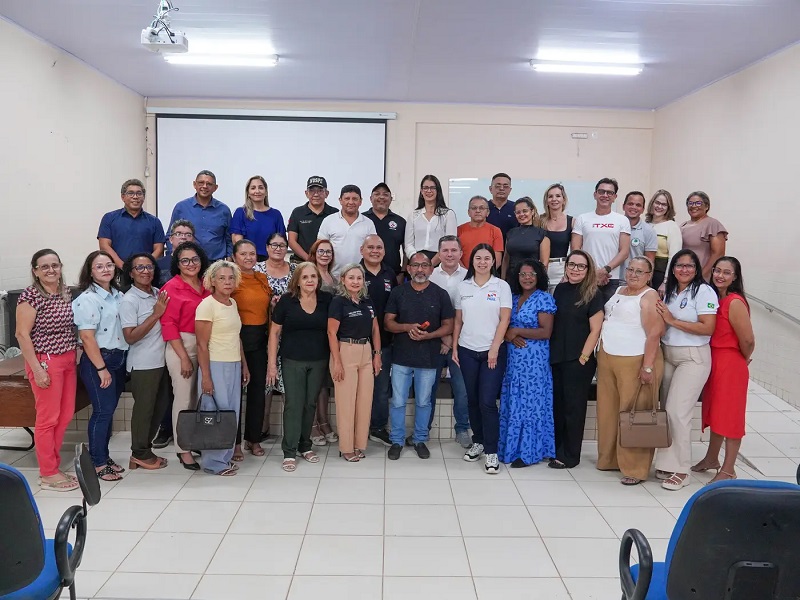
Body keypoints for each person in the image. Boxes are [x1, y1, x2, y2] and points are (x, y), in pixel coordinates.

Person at [596, 256, 664, 485]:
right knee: (609, 412)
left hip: (635, 360)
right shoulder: (620, 290)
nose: (633, 274)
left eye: (639, 271)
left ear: (648, 276)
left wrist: (647, 366)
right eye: (631, 270)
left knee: (635, 414)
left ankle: (635, 468)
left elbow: (655, 333)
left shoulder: (649, 295)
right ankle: (611, 459)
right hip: (608, 357)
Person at [15, 249, 79, 491]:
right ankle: (47, 472)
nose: (51, 270)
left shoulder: (65, 293)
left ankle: (54, 465)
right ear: (35, 271)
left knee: (64, 416)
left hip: (68, 360)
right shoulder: (30, 297)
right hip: (45, 361)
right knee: (47, 419)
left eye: (55, 265)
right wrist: (37, 370)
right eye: (44, 267)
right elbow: (21, 334)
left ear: (61, 267)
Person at [653, 250, 717, 490]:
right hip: (668, 354)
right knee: (666, 411)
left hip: (693, 357)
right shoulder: (670, 290)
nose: (684, 270)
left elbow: (707, 327)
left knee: (678, 412)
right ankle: (667, 463)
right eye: (679, 265)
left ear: (697, 268)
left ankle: (682, 470)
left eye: (690, 266)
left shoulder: (704, 291)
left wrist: (672, 321)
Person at [384, 252, 454, 459]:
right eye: (415, 265)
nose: (420, 269)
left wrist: (428, 336)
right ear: (408, 268)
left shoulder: (440, 294)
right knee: (397, 401)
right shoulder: (398, 292)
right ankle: (396, 440)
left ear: (431, 270)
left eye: (424, 265)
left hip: (429, 358)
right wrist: (406, 327)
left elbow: (448, 325)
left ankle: (420, 439)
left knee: (424, 402)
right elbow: (388, 322)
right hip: (400, 357)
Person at [693, 257, 755, 483]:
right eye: (717, 270)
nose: (719, 275)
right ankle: (711, 458)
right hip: (715, 360)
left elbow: (748, 340)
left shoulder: (734, 302)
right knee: (715, 412)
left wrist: (742, 359)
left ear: (735, 277)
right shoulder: (715, 298)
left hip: (731, 363)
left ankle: (729, 469)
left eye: (726, 272)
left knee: (730, 416)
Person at [453, 244, 512, 474]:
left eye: (487, 258)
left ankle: (491, 452)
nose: (483, 262)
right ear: (472, 261)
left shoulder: (501, 286)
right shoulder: (463, 287)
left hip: (492, 352)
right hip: (467, 350)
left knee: (487, 402)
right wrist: (456, 347)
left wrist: (495, 348)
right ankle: (477, 441)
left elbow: (504, 320)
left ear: (493, 262)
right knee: (473, 400)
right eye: (478, 258)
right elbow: (458, 320)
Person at [269, 263, 333, 472]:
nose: (310, 280)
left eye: (313, 276)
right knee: (294, 405)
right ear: (297, 280)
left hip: (319, 360)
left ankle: (305, 446)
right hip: (292, 360)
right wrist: (271, 364)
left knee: (310, 404)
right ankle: (289, 451)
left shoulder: (326, 300)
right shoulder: (287, 301)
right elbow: (274, 333)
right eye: (305, 277)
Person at [73, 251, 129, 481]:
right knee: (102, 412)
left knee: (109, 412)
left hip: (118, 359)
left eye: (109, 265)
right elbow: (87, 338)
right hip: (99, 361)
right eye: (99, 266)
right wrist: (101, 368)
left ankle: (103, 456)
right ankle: (97, 463)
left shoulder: (117, 295)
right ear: (90, 271)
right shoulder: (88, 299)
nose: (106, 269)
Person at [499, 259, 556, 468]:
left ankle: (529, 452)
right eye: (523, 274)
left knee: (531, 405)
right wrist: (510, 335)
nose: (527, 278)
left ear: (539, 276)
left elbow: (545, 332)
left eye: (531, 274)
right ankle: (512, 449)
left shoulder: (543, 299)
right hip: (514, 361)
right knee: (515, 403)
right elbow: (505, 327)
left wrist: (517, 331)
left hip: (535, 362)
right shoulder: (512, 298)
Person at [549, 250, 604, 469]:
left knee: (574, 408)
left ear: (589, 269)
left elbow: (596, 329)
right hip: (558, 357)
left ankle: (570, 456)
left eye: (581, 266)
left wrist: (583, 357)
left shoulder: (593, 293)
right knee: (559, 406)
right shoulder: (560, 289)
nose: (575, 269)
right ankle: (557, 449)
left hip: (579, 359)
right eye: (572, 264)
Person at [195, 261, 249, 476]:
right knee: (214, 413)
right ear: (212, 281)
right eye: (222, 278)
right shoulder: (206, 305)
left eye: (230, 278)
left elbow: (236, 337)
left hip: (233, 364)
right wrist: (206, 377)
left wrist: (244, 364)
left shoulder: (232, 304)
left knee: (230, 413)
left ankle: (224, 458)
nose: (227, 282)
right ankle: (213, 463)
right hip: (215, 366)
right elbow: (201, 344)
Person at [160, 241, 210, 471]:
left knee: (200, 397)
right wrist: (183, 357)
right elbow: (168, 324)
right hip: (182, 345)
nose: (191, 264)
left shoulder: (206, 285)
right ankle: (183, 449)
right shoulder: (171, 287)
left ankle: (195, 440)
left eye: (195, 259)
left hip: (205, 345)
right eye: (185, 260)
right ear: (177, 264)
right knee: (184, 399)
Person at [119, 253, 170, 471]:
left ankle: (145, 450)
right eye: (139, 268)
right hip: (144, 364)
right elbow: (130, 336)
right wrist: (155, 315)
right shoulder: (129, 300)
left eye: (149, 267)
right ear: (130, 273)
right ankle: (138, 452)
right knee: (144, 410)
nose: (146, 271)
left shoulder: (157, 293)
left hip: (162, 361)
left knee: (158, 408)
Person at [328, 264, 382, 462]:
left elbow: (375, 329)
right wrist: (337, 362)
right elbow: (331, 332)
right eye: (351, 278)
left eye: (359, 278)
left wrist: (377, 354)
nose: (355, 281)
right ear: (343, 279)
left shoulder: (367, 302)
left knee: (364, 402)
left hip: (366, 352)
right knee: (346, 403)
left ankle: (360, 444)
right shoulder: (338, 302)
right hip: (346, 350)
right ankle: (346, 447)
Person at [427, 235, 471, 448]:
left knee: (462, 389)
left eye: (454, 250)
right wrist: (443, 336)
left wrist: (452, 339)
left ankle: (462, 428)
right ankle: (422, 429)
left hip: (461, 343)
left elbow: (468, 314)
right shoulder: (430, 275)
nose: (450, 254)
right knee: (428, 388)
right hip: (434, 341)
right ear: (439, 253)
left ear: (461, 253)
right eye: (445, 250)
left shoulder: (470, 277)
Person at [231, 239, 272, 458]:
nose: (248, 258)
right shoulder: (230, 279)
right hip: (236, 337)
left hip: (260, 338)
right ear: (234, 257)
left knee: (258, 391)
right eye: (243, 254)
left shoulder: (261, 278)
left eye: (252, 253)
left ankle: (253, 439)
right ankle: (234, 443)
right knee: (235, 393)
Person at [255, 232, 297, 440]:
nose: (278, 249)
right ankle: (261, 428)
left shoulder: (295, 270)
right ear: (267, 247)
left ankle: (292, 430)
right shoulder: (257, 270)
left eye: (282, 245)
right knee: (266, 381)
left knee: (289, 381)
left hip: (291, 334)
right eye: (274, 245)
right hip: (263, 331)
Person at [359, 235, 399, 447]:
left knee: (382, 388)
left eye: (379, 247)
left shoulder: (389, 273)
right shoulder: (354, 273)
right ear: (361, 250)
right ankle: (357, 428)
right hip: (356, 342)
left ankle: (377, 427)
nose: (375, 251)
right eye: (370, 247)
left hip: (384, 342)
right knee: (358, 388)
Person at [572, 178, 632, 304]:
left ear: (615, 197)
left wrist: (605, 271)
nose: (605, 195)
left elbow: (624, 252)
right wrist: (592, 273)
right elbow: (576, 250)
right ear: (595, 194)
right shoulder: (582, 218)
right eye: (601, 192)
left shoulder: (622, 220)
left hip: (611, 278)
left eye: (609, 193)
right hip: (586, 277)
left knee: (608, 318)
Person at [307, 239, 338, 446]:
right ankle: (312, 425)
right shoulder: (309, 273)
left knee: (325, 382)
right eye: (321, 251)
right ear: (314, 253)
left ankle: (324, 421)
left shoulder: (334, 278)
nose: (325, 254)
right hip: (312, 332)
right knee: (313, 382)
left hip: (330, 334)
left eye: (328, 251)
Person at [98, 179, 165, 268]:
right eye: (130, 193)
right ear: (123, 197)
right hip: (117, 272)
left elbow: (159, 249)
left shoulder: (154, 222)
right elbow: (104, 246)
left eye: (139, 193)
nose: (135, 197)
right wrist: (123, 267)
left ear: (144, 197)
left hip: (145, 273)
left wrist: (143, 267)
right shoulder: (109, 218)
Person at [169, 170, 232, 261]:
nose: (204, 186)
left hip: (216, 263)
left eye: (209, 184)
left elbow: (229, 239)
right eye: (201, 183)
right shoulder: (181, 207)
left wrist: (229, 260)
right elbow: (170, 235)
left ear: (215, 187)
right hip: (188, 263)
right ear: (194, 184)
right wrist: (174, 257)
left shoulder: (224, 210)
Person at [317, 184, 377, 277]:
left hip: (360, 278)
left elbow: (373, 249)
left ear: (360, 201)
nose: (351, 202)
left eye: (355, 199)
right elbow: (319, 249)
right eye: (347, 198)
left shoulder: (368, 223)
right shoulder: (329, 221)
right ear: (340, 200)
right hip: (333, 276)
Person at [404, 175, 457, 267]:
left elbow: (450, 244)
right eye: (425, 188)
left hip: (439, 261)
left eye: (432, 188)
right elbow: (408, 244)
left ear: (438, 190)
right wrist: (417, 260)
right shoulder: (413, 215)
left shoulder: (447, 214)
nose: (429, 191)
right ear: (421, 191)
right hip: (416, 261)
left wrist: (430, 265)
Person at [231, 175, 287, 261]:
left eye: (261, 188)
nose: (257, 191)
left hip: (271, 262)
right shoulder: (240, 213)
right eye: (253, 188)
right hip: (247, 262)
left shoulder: (276, 215)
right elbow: (237, 243)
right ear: (248, 193)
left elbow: (281, 242)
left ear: (266, 192)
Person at [287, 176, 339, 263]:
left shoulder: (334, 213)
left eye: (320, 190)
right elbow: (292, 241)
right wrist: (309, 259)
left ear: (327, 193)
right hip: (301, 262)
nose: (316, 194)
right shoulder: (297, 212)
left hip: (328, 263)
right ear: (306, 193)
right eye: (312, 191)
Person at [363, 182, 406, 282]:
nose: (381, 197)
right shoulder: (362, 219)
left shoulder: (400, 222)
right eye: (377, 194)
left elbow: (406, 251)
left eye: (385, 194)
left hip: (394, 275)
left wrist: (402, 273)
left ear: (391, 199)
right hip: (365, 274)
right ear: (370, 198)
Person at [680, 191, 728, 282]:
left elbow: (718, 254)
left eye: (698, 203)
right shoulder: (682, 225)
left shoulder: (712, 224)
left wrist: (701, 275)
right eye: (690, 203)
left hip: (702, 277)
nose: (693, 206)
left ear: (706, 206)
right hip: (683, 274)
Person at [503, 197, 550, 280]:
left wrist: (539, 281)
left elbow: (544, 263)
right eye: (518, 212)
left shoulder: (541, 234)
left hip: (531, 279)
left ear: (532, 211)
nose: (521, 214)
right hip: (512, 279)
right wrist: (502, 280)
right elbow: (506, 260)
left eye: (525, 211)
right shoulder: (511, 233)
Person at [645, 190, 682, 295]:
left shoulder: (672, 226)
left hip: (660, 275)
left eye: (664, 204)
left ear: (668, 208)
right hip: (643, 273)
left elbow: (674, 257)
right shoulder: (645, 224)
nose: (659, 206)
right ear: (652, 203)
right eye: (657, 203)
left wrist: (665, 282)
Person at [540, 183, 573, 293]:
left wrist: (569, 273)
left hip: (561, 269)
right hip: (541, 268)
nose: (554, 199)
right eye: (550, 196)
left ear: (564, 199)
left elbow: (575, 251)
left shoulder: (572, 221)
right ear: (546, 200)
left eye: (558, 196)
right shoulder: (539, 221)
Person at [457, 195, 504, 268]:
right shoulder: (459, 230)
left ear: (488, 212)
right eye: (474, 208)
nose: (478, 211)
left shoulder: (495, 231)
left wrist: (483, 274)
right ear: (469, 212)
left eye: (481, 208)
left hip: (487, 275)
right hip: (463, 275)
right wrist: (465, 273)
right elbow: (455, 255)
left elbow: (497, 260)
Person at [621, 191, 658, 275]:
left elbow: (650, 263)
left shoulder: (649, 231)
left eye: (638, 205)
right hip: (610, 279)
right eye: (630, 204)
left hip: (635, 280)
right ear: (623, 206)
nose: (634, 207)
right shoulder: (614, 227)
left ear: (642, 210)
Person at [156, 220, 196, 287]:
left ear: (193, 240)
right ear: (171, 239)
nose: (183, 237)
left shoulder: (198, 264)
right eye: (178, 234)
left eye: (188, 235)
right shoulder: (158, 264)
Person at [486, 172, 517, 239]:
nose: (502, 188)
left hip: (511, 248)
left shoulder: (516, 208)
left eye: (505, 186)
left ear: (510, 190)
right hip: (487, 247)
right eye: (498, 186)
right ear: (490, 189)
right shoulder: (483, 208)